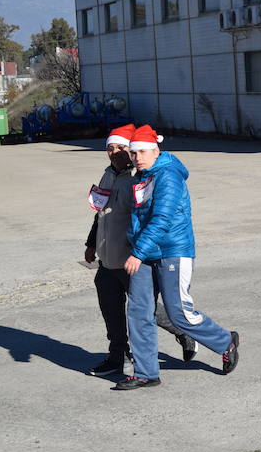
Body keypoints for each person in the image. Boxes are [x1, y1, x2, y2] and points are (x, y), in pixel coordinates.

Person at [116, 125, 239, 390]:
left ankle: (225, 341)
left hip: (172, 251)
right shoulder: (142, 176)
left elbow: (162, 218)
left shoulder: (168, 175)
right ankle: (146, 372)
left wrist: (137, 253)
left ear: (156, 150)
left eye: (143, 152)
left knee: (178, 312)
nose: (137, 158)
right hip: (145, 252)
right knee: (138, 312)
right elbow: (139, 217)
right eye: (134, 153)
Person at [83, 124, 198, 377]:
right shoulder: (108, 175)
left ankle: (183, 332)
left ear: (132, 149)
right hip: (106, 258)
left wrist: (139, 253)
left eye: (121, 147)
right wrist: (91, 244)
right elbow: (101, 213)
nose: (115, 152)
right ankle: (118, 357)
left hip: (131, 258)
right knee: (111, 312)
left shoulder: (140, 178)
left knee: (145, 310)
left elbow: (149, 219)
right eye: (110, 148)